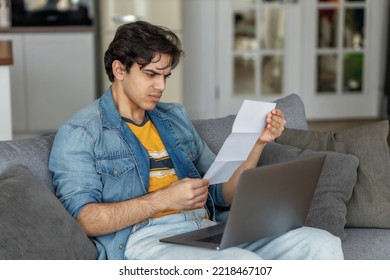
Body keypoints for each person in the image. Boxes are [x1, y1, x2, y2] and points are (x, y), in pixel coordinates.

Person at [49, 20, 343, 260]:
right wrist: (165, 198)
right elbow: (84, 219)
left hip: (204, 228)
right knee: (239, 264)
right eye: (151, 74)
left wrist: (259, 143)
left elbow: (220, 193)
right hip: (145, 242)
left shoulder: (173, 118)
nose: (161, 86)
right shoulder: (82, 133)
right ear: (119, 70)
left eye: (166, 76)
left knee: (321, 244)